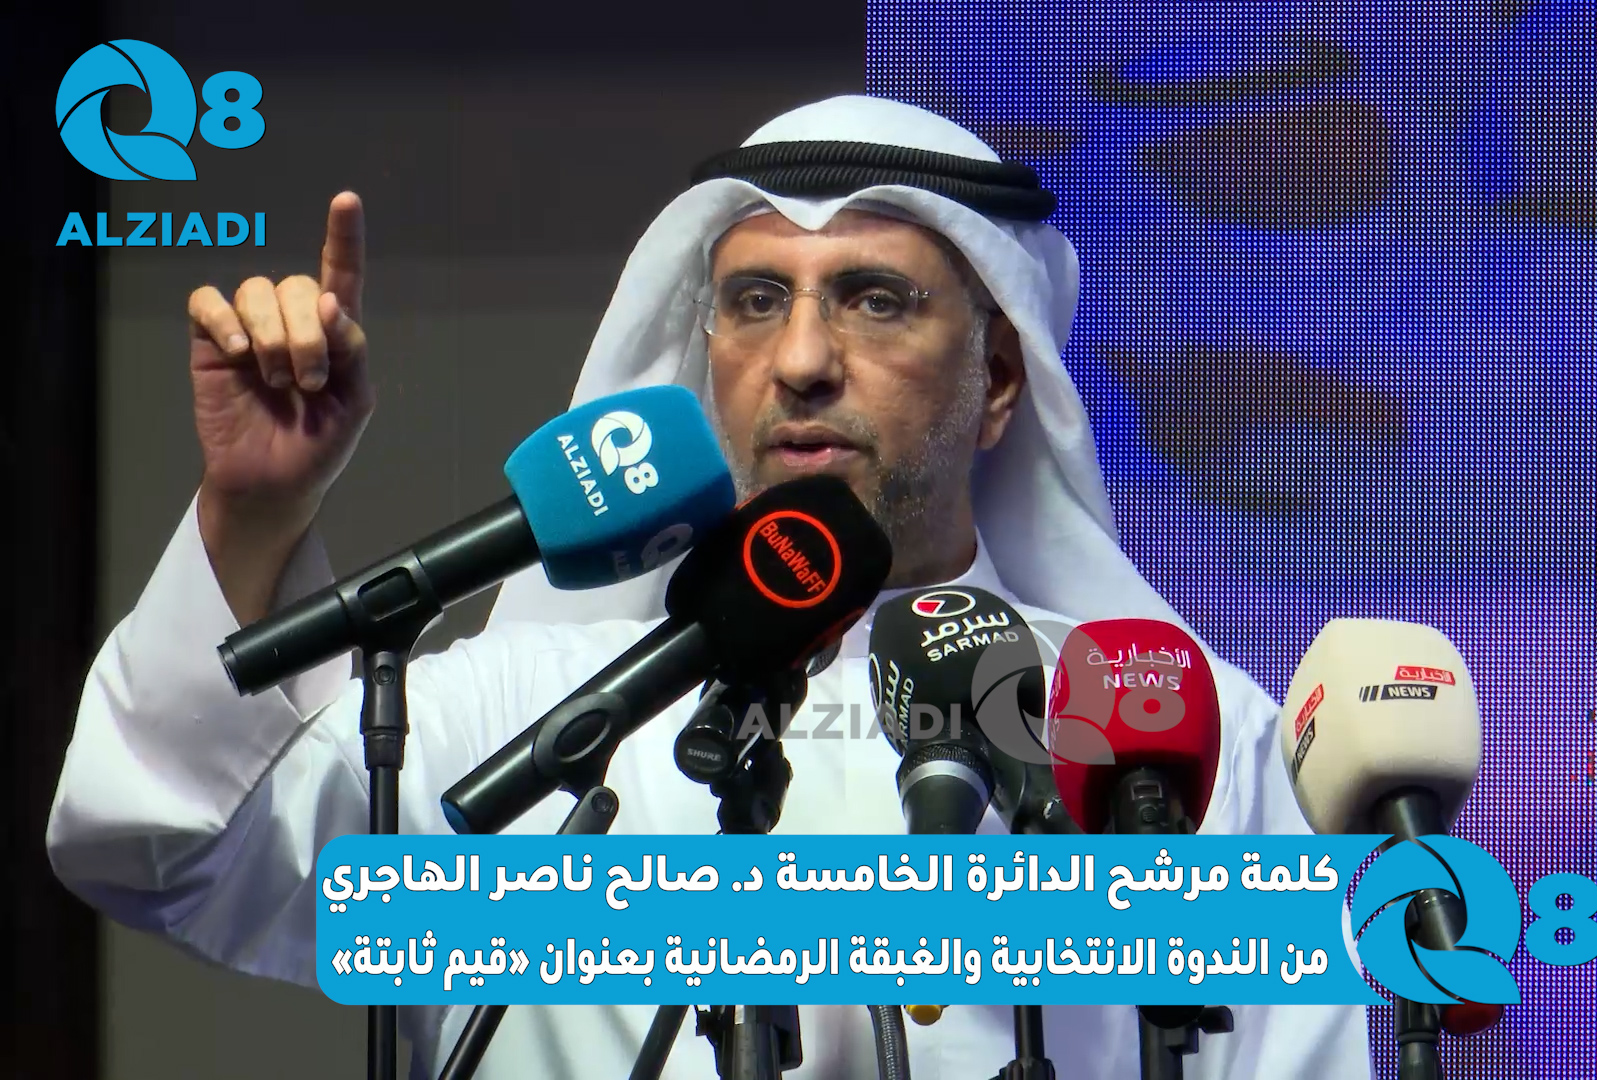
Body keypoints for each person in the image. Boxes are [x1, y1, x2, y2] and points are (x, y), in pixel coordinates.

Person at [47, 96, 1372, 1080]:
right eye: (753, 301)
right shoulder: (517, 718)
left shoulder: (1166, 741)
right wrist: (256, 508)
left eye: (874, 300)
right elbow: (163, 844)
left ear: (1000, 384)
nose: (800, 361)